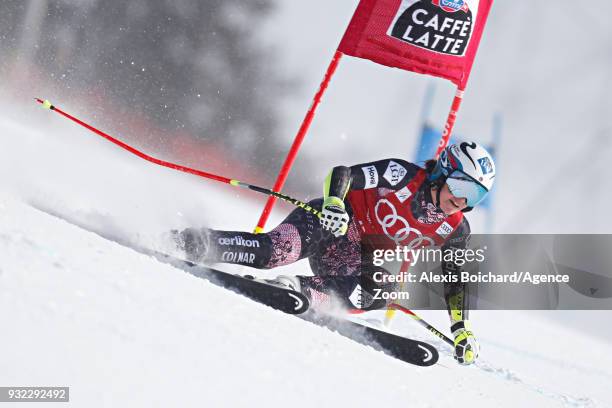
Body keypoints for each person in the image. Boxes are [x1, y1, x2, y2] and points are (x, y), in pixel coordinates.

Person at [175, 142, 495, 365]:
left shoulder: (455, 228)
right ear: (442, 173)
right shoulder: (401, 175)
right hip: (333, 224)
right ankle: (193, 242)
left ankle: (298, 290)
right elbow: (342, 175)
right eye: (462, 189)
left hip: (354, 260)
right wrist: (335, 204)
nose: (463, 202)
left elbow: (455, 278)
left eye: (475, 197)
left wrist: (460, 327)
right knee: (272, 252)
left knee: (382, 290)